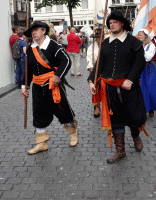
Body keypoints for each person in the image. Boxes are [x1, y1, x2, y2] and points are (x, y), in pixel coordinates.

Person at [88, 10, 147, 164]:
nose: (112, 25)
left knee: (134, 117)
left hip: (129, 87)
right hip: (109, 89)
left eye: (115, 22)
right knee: (116, 119)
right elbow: (99, 64)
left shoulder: (133, 42)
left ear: (122, 24)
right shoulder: (105, 43)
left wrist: (130, 79)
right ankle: (120, 151)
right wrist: (91, 81)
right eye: (110, 23)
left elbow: (140, 63)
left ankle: (136, 136)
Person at [21, 21, 78, 155]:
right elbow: (28, 70)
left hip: (54, 85)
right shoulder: (31, 49)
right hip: (38, 87)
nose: (33, 33)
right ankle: (41, 143)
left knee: (63, 111)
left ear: (44, 31)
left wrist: (58, 76)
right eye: (32, 31)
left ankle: (73, 132)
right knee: (38, 114)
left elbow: (67, 61)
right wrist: (25, 86)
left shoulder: (54, 45)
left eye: (36, 30)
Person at [138, 29, 156, 117]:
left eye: (141, 35)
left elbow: (148, 57)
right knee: (140, 89)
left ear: (146, 35)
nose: (139, 36)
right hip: (138, 69)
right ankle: (142, 109)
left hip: (147, 69)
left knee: (150, 89)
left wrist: (141, 49)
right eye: (139, 35)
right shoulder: (136, 44)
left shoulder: (151, 45)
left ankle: (151, 108)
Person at [86, 28, 103, 117]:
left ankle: (108, 107)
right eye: (97, 37)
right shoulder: (91, 47)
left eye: (100, 37)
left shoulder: (108, 45)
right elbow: (89, 59)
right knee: (95, 90)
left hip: (105, 72)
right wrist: (91, 68)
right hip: (95, 72)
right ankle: (97, 107)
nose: (98, 38)